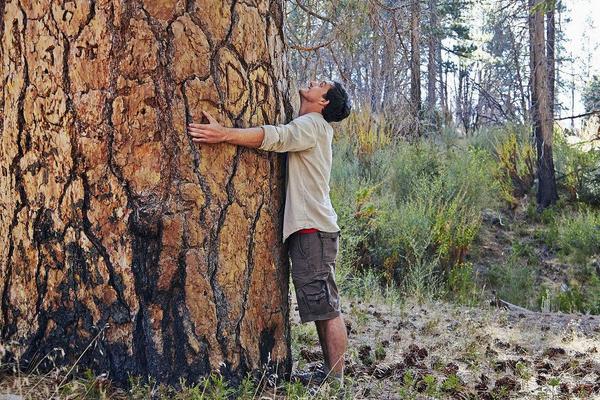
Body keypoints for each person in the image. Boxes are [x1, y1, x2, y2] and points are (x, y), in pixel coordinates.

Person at [187, 79, 352, 386]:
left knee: (327, 307)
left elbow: (277, 137)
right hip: (313, 231)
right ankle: (332, 374)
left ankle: (336, 381)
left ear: (324, 102)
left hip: (312, 231)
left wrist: (224, 134)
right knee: (321, 304)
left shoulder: (312, 125)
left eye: (321, 84)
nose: (314, 81)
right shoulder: (313, 125)